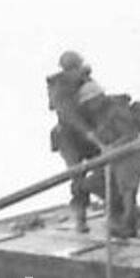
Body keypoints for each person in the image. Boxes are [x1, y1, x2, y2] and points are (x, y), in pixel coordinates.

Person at [75, 81, 140, 239]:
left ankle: (128, 224)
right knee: (93, 183)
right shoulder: (99, 114)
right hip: (117, 156)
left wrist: (112, 148)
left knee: (127, 187)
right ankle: (120, 212)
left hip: (132, 154)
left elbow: (130, 134)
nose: (89, 106)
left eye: (90, 102)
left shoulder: (116, 110)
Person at [47, 50, 104, 232]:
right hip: (69, 138)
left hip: (91, 134)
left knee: (105, 169)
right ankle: (81, 217)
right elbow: (68, 114)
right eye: (75, 68)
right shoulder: (60, 88)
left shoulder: (86, 80)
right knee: (78, 176)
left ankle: (114, 209)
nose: (79, 70)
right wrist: (88, 132)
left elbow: (100, 102)